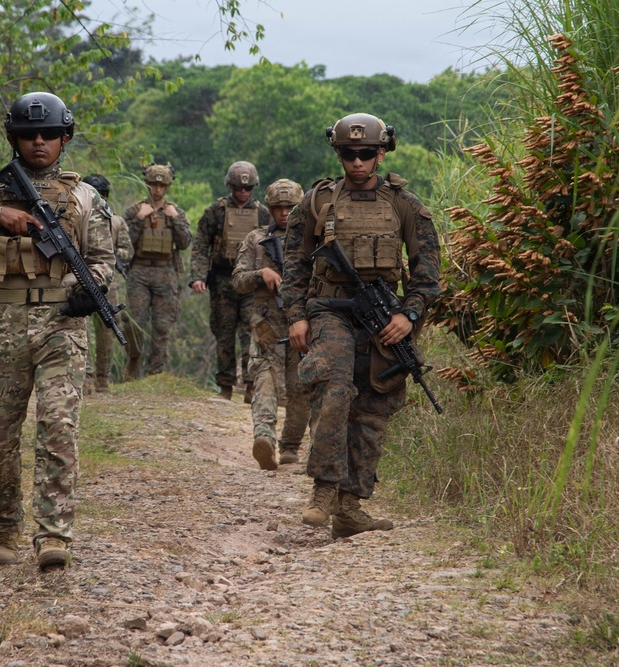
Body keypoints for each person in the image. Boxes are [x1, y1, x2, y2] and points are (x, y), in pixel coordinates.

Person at [0, 92, 115, 569]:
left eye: (50, 135)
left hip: (62, 326)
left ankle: (54, 534)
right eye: (30, 135)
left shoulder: (84, 197)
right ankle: (5, 528)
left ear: (64, 138)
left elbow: (103, 260)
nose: (40, 142)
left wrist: (88, 287)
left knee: (58, 426)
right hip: (5, 326)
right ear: (13, 138)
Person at [281, 113, 441, 538]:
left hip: (383, 316)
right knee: (334, 388)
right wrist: (297, 315)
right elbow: (295, 263)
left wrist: (408, 315)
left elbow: (427, 272)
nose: (356, 162)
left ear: (381, 152)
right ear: (338, 153)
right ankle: (324, 490)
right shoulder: (317, 202)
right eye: (348, 154)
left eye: (366, 154)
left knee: (373, 407)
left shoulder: (404, 205)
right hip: (330, 308)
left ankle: (350, 508)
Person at [231, 178, 312, 470]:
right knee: (265, 379)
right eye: (278, 207)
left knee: (301, 385)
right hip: (266, 320)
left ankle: (291, 444)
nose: (284, 212)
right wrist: (260, 273)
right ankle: (264, 437)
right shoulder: (256, 239)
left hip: (303, 320)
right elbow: (238, 280)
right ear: (269, 208)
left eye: (290, 207)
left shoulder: (310, 240)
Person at [189, 161, 271, 402]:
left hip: (251, 282)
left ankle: (250, 386)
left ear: (253, 188)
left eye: (247, 188)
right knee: (224, 334)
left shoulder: (263, 214)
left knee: (253, 333)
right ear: (230, 186)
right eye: (237, 188)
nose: (242, 192)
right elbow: (201, 245)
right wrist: (197, 276)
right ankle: (224, 386)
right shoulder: (216, 211)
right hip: (223, 281)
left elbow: (273, 246)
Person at [122, 163, 192, 379]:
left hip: (165, 271)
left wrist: (175, 219)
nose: (157, 189)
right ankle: (134, 359)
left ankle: (156, 372)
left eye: (162, 185)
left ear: (168, 186)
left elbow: (184, 242)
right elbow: (124, 243)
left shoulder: (176, 212)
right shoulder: (134, 211)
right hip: (139, 271)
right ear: (147, 184)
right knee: (135, 322)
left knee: (162, 325)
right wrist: (138, 220)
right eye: (153, 184)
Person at [83, 174, 133, 393]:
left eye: (101, 195)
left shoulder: (116, 221)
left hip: (107, 280)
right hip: (79, 278)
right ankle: (85, 376)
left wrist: (109, 251)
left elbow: (127, 251)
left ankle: (102, 377)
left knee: (107, 329)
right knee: (80, 328)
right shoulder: (76, 216)